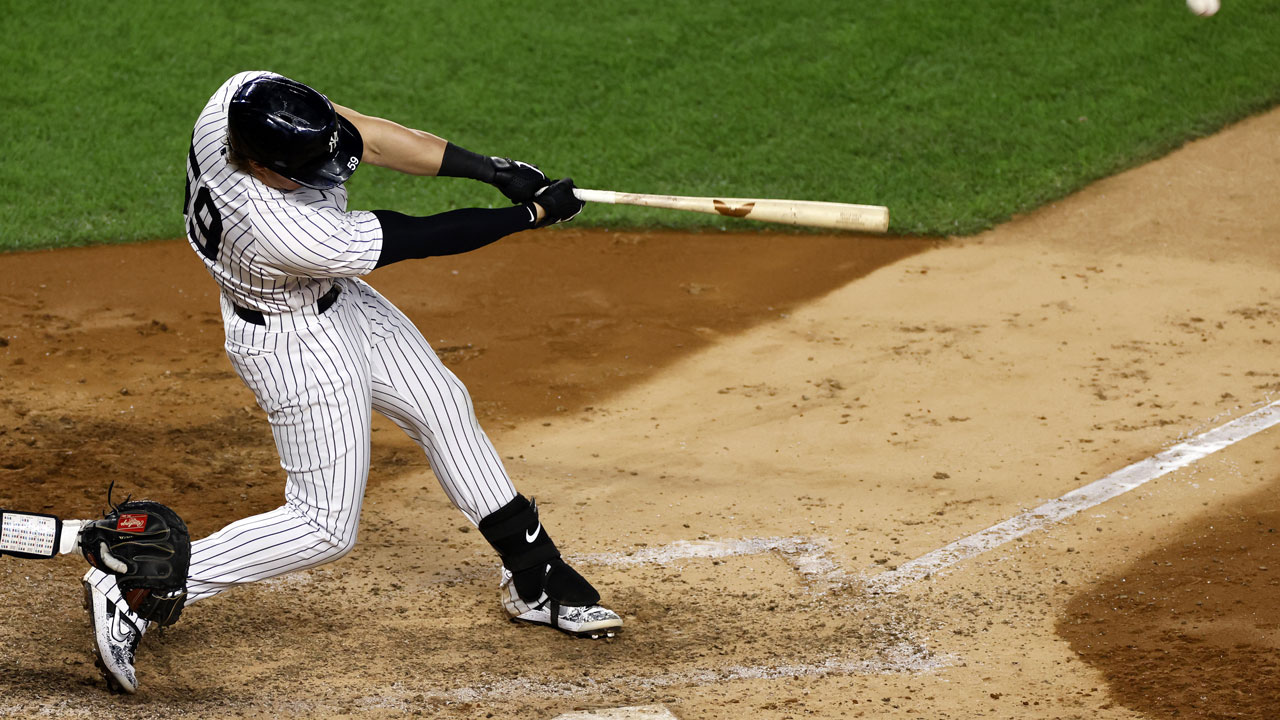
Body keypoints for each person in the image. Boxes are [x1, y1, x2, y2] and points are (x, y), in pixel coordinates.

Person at [81, 71, 622, 694]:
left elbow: (374, 136)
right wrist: (527, 214)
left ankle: (537, 578)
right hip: (292, 340)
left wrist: (493, 170)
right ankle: (136, 582)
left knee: (441, 405)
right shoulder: (281, 228)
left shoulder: (240, 98)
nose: (330, 171)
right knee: (322, 526)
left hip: (338, 301)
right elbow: (419, 237)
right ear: (260, 164)